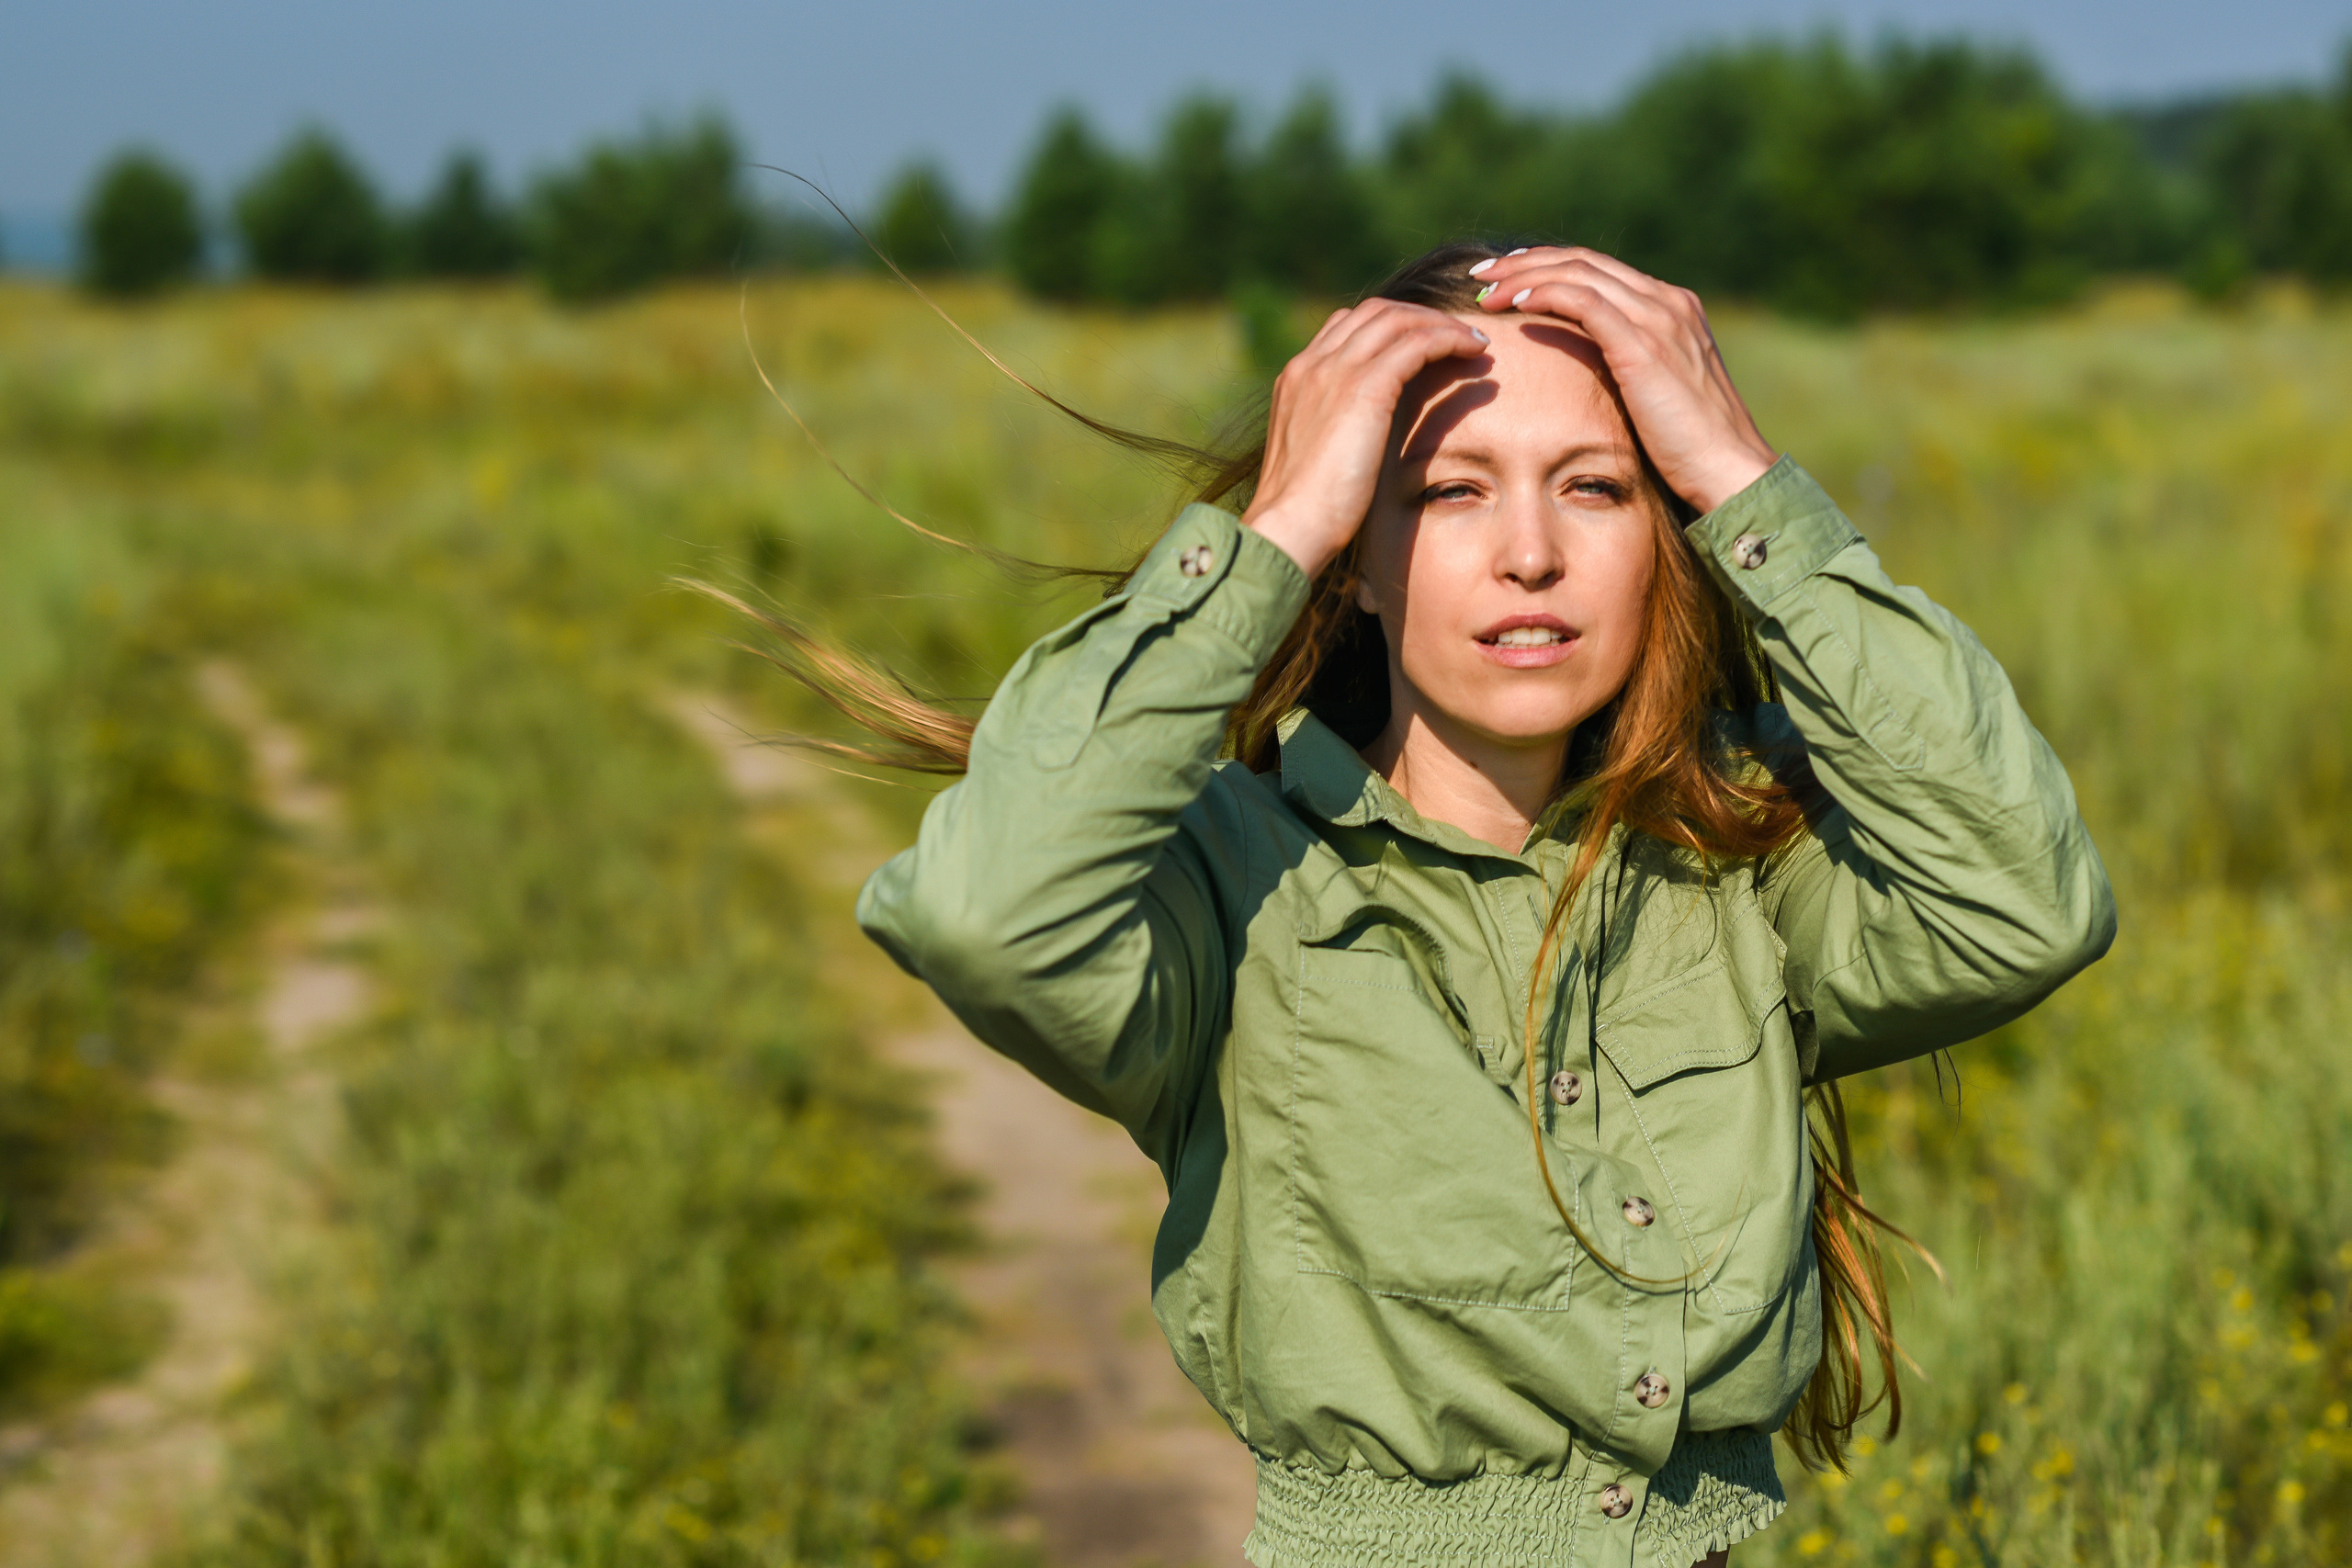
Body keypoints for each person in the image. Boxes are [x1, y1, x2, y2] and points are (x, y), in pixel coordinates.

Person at [833, 242, 2115, 1568]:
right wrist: (1271, 538)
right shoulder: (1236, 876)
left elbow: (2027, 903)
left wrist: (1745, 483)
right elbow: (986, 913)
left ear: (1662, 547)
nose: (1531, 555)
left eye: (1597, 488)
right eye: (1451, 491)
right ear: (1360, 559)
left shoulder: (1740, 863)